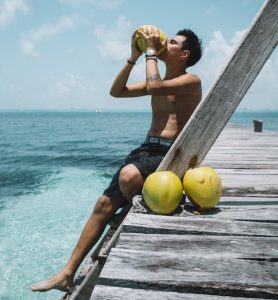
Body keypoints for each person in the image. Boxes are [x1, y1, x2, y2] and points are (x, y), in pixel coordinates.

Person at [31, 26, 202, 293]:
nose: (165, 42)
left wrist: (149, 52)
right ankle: (66, 273)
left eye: (172, 42)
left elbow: (155, 84)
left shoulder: (191, 81)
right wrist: (133, 57)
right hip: (146, 150)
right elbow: (117, 91)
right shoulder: (156, 83)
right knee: (101, 204)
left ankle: (132, 206)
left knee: (128, 176)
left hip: (170, 155)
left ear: (184, 55)